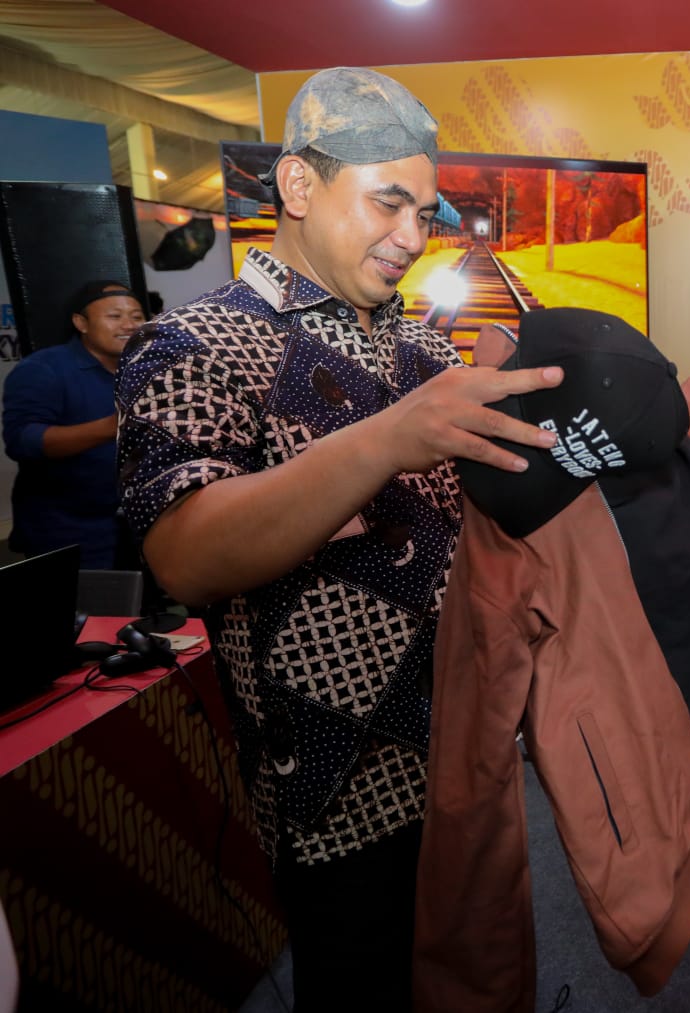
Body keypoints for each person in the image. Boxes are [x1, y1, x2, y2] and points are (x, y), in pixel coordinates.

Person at [113, 68, 562, 1010]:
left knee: (475, 978)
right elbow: (184, 554)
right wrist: (386, 441)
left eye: (425, 214)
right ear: (298, 185)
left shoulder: (426, 352)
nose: (412, 236)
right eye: (387, 202)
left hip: (464, 758)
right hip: (333, 792)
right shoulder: (195, 344)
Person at [2, 281, 143, 569]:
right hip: (68, 529)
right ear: (81, 323)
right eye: (114, 316)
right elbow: (23, 441)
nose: (129, 325)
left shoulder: (146, 367)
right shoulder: (44, 369)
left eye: (137, 316)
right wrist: (113, 426)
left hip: (137, 523)